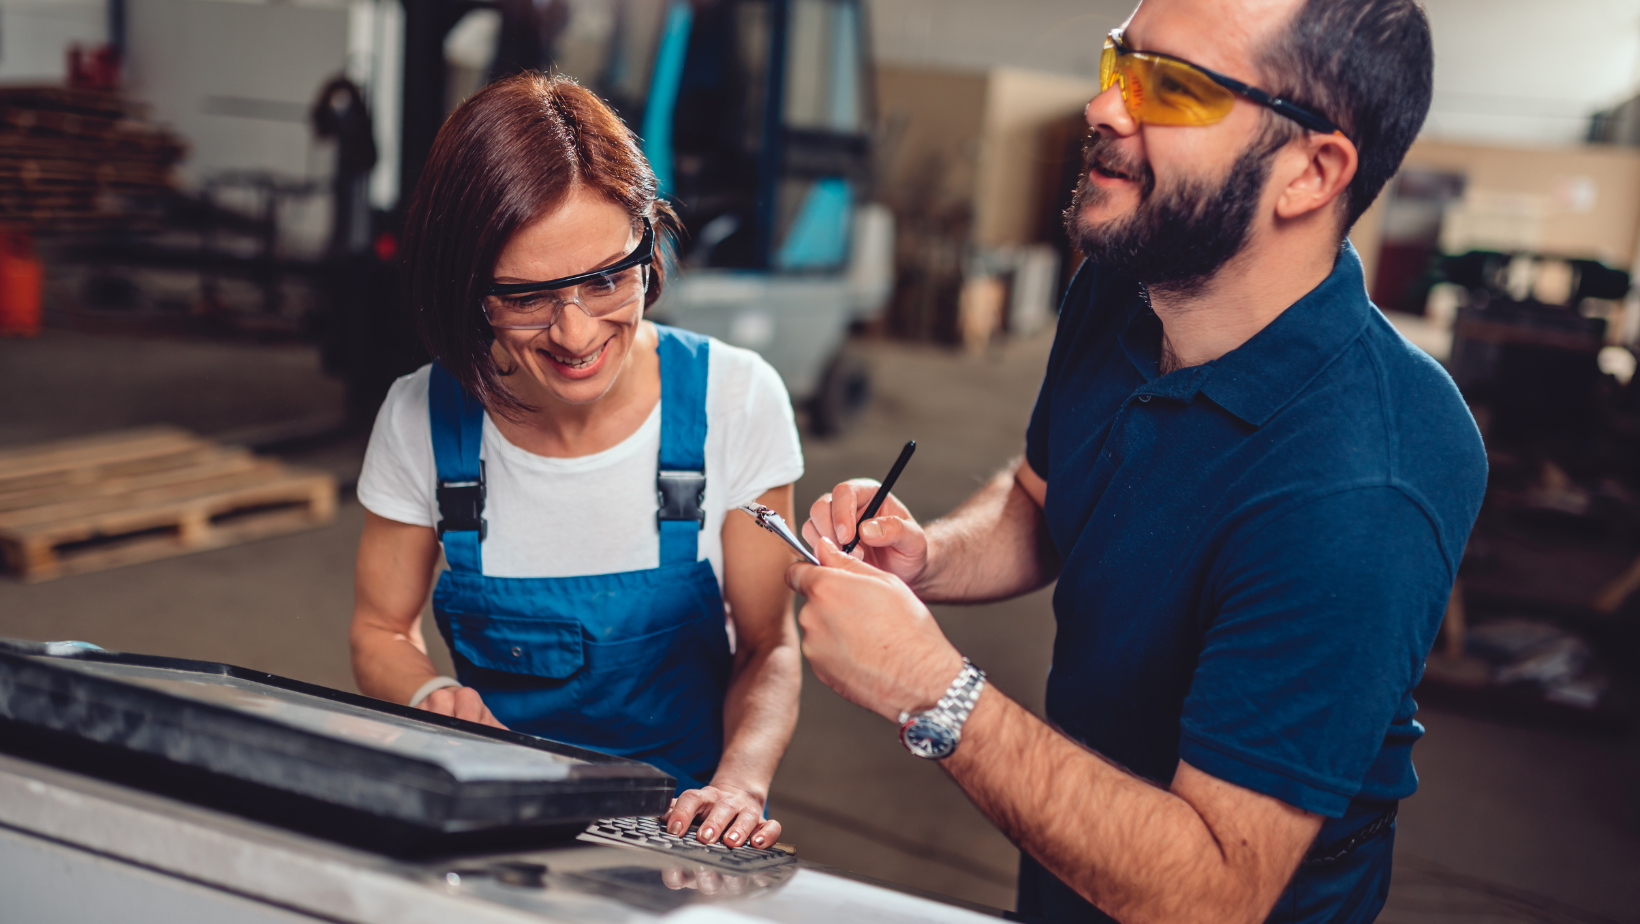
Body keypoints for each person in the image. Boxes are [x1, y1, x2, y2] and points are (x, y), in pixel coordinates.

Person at [793, 0, 1485, 922]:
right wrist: (931, 558)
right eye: (1121, 61)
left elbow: (1212, 892)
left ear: (1311, 172)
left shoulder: (1365, 481)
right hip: (1066, 861)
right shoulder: (1127, 283)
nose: (1103, 106)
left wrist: (932, 691)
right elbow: (1043, 495)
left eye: (1172, 89)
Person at [349, 73, 804, 851]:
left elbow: (769, 645)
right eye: (526, 297)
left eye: (604, 279)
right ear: (468, 290)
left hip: (676, 832)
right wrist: (428, 691)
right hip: (492, 827)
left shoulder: (735, 401)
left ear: (648, 245)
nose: (575, 333)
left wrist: (739, 780)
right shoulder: (421, 418)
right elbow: (379, 628)